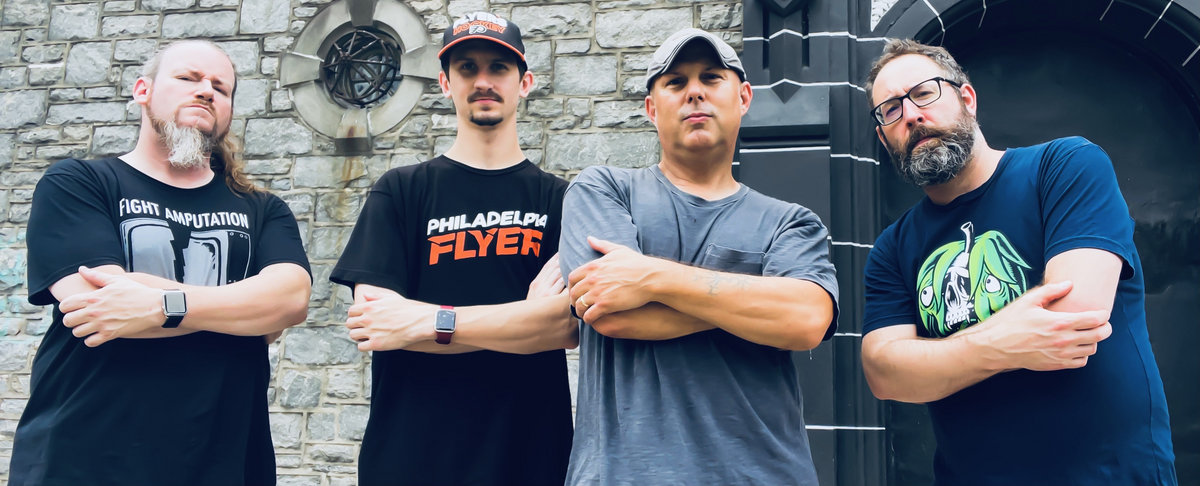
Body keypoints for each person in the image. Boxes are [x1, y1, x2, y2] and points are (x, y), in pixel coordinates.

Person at [860, 39, 1176, 485]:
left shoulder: (1065, 167)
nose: (910, 115)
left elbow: (1071, 323)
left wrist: (933, 360)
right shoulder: (892, 248)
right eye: (890, 110)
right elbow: (883, 374)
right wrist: (1005, 339)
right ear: (883, 136)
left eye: (924, 93)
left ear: (967, 98)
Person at [10, 40, 312, 486]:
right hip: (85, 455)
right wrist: (241, 310)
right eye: (188, 78)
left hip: (222, 460)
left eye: (220, 88)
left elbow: (289, 300)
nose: (205, 91)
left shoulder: (263, 209)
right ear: (143, 90)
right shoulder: (79, 182)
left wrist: (158, 306)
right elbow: (96, 305)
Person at [559, 28, 839, 485]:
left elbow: (806, 320)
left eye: (711, 78)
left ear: (743, 97)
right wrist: (754, 303)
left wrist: (650, 277)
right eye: (675, 82)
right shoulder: (604, 190)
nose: (694, 92)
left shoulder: (791, 222)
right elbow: (609, 311)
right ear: (652, 108)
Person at [329, 12, 575, 486]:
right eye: (467, 68)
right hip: (410, 459)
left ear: (525, 83)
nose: (483, 81)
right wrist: (522, 320)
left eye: (499, 67)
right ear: (445, 83)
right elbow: (379, 323)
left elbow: (564, 326)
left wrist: (425, 322)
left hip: (528, 458)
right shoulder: (400, 191)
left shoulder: (561, 200)